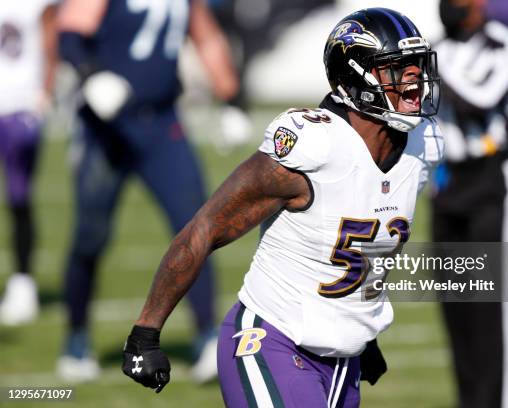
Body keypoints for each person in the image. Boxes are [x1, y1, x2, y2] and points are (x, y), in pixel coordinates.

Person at [122, 7, 444, 407]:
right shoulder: (315, 144)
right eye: (395, 67)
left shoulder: (422, 144)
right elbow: (206, 227)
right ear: (355, 76)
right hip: (272, 342)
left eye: (415, 64)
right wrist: (146, 333)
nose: (413, 78)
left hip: (344, 363)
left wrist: (362, 331)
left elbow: (365, 245)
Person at [55, 0, 240, 382]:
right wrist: (90, 75)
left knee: (199, 227)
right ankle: (76, 339)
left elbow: (205, 37)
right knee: (90, 237)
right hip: (105, 128)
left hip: (161, 123)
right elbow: (70, 30)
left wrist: (232, 98)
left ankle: (206, 337)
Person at [432, 0, 508, 407]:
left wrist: (431, 68)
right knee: (453, 300)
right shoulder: (438, 47)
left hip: (494, 179)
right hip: (449, 182)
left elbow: (480, 99)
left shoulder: (504, 45)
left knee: (492, 303)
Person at [0, 0, 58, 326]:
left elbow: (51, 43)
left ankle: (23, 283)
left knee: (19, 198)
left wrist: (45, 93)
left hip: (20, 106)